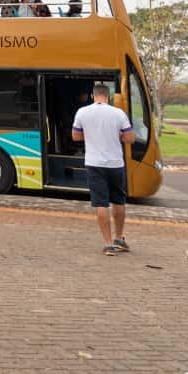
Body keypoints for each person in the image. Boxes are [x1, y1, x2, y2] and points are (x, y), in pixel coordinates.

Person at [71, 82, 136, 256]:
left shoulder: (82, 112)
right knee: (118, 202)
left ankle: (108, 244)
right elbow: (130, 138)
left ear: (93, 95)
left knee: (101, 203)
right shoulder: (118, 113)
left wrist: (91, 134)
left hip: (94, 163)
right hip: (115, 163)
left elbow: (75, 136)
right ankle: (119, 239)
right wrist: (118, 134)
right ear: (108, 96)